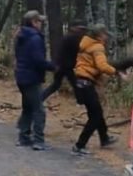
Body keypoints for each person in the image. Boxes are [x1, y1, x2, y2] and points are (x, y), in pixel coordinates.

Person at [72, 23, 121, 155]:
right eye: (105, 34)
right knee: (95, 116)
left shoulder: (85, 44)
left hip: (80, 82)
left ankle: (104, 138)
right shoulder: (97, 47)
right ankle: (79, 145)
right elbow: (102, 66)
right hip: (86, 84)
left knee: (96, 111)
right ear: (99, 35)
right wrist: (116, 72)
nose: (106, 37)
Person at [14, 10, 56, 150]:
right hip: (31, 78)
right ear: (34, 22)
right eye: (39, 21)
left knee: (28, 107)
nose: (41, 24)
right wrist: (53, 67)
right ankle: (38, 141)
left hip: (21, 76)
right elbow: (38, 60)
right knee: (39, 109)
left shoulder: (21, 36)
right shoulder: (35, 38)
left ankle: (24, 137)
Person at [41, 20, 87, 101]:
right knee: (75, 83)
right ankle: (81, 101)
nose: (81, 31)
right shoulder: (73, 37)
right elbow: (78, 51)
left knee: (56, 85)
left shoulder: (69, 36)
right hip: (67, 66)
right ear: (73, 28)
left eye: (82, 29)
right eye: (80, 29)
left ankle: (41, 98)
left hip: (61, 65)